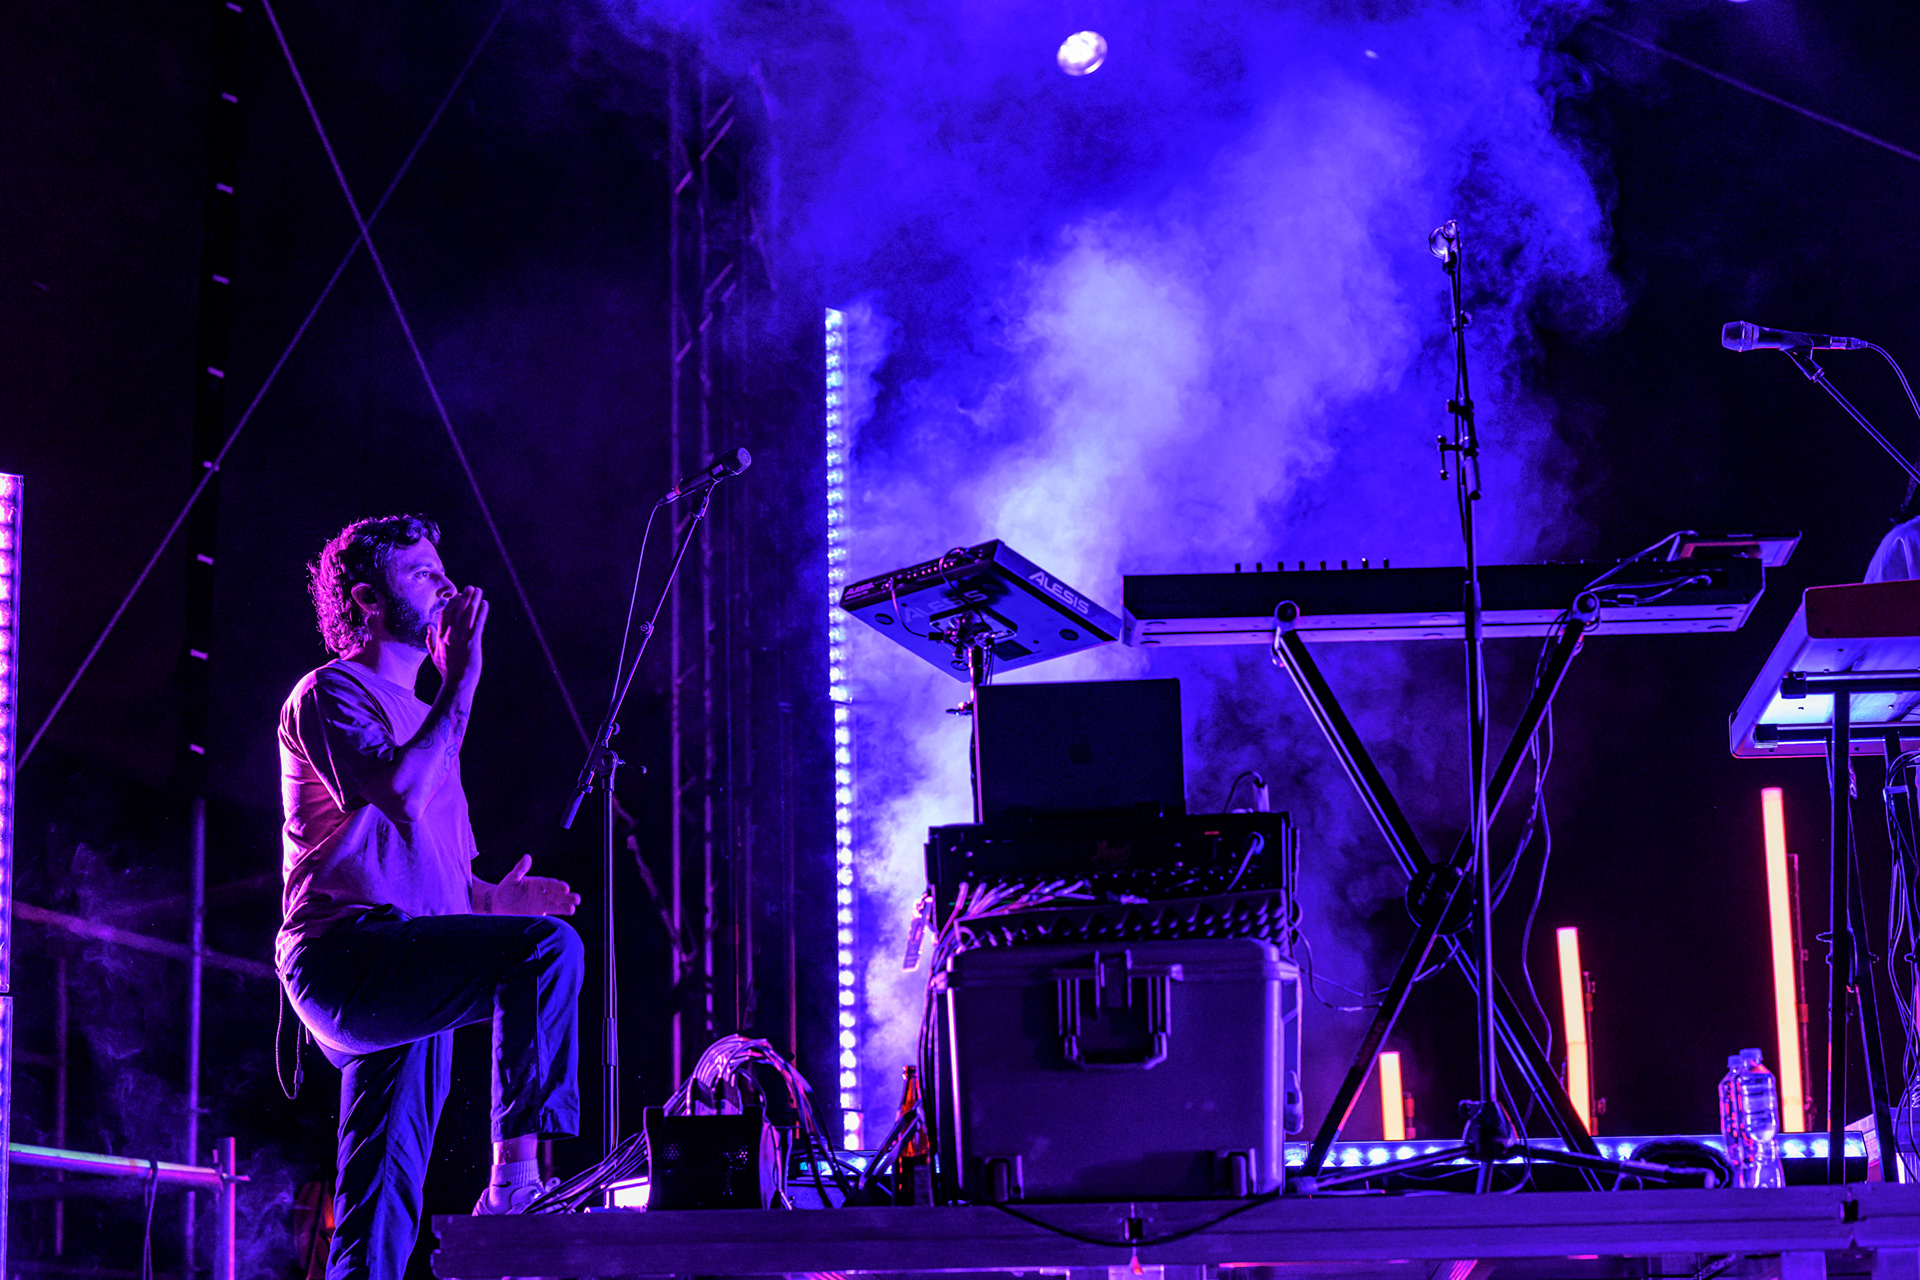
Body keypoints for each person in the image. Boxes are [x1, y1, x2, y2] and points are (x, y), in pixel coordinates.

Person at [276, 514, 584, 1279]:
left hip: (407, 954)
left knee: (381, 1199)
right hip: (349, 953)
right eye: (422, 574)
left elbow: (442, 872)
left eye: (443, 572)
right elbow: (401, 796)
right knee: (548, 952)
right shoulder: (331, 690)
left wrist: (493, 902)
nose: (447, 587)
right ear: (367, 599)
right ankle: (515, 1181)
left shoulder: (431, 721)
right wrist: (462, 678)